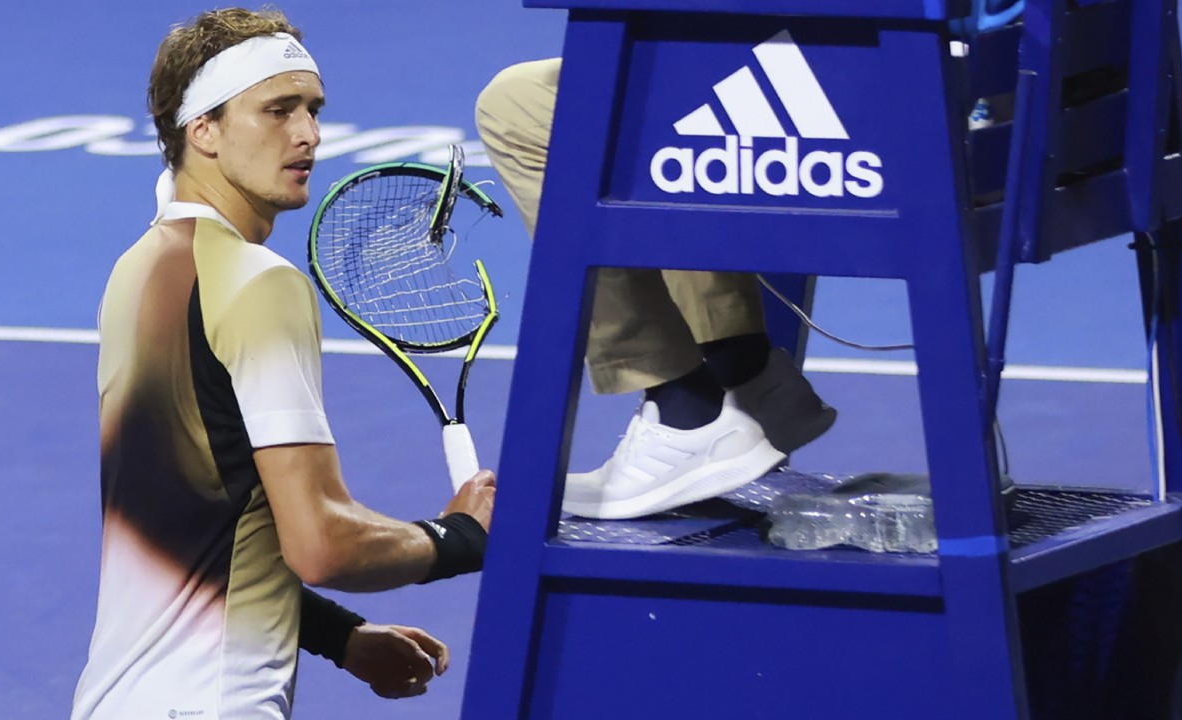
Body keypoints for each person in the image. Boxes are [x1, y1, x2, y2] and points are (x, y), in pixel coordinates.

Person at [72, 9, 495, 719]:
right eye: (278, 110)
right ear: (201, 129)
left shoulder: (139, 273)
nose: (309, 134)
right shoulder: (259, 284)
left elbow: (197, 526)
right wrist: (457, 539)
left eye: (312, 110)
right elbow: (322, 542)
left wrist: (339, 636)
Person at [475, 59, 836, 521]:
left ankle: (687, 412)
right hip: (893, 77)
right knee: (680, 71)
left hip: (824, 93)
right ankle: (747, 377)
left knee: (516, 105)